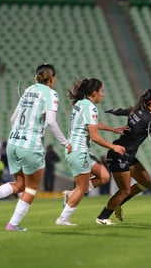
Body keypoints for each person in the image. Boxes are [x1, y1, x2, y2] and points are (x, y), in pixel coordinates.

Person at [0, 63, 71, 232]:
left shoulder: (28, 91)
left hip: (13, 142)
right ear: (51, 79)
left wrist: (18, 136)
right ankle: (12, 224)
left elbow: (13, 119)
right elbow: (50, 121)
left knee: (20, 185)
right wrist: (65, 142)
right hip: (30, 145)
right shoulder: (51, 94)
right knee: (31, 188)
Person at [94, 88, 151, 225]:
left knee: (146, 182)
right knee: (124, 190)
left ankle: (118, 203)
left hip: (126, 155)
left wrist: (113, 110)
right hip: (119, 155)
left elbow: (122, 111)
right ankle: (102, 217)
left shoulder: (136, 110)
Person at [55, 78, 126, 226]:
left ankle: (70, 194)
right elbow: (94, 136)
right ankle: (62, 219)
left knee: (104, 176)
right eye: (102, 92)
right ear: (94, 93)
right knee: (82, 188)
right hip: (78, 151)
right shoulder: (90, 108)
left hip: (77, 150)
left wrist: (113, 129)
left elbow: (93, 124)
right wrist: (113, 147)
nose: (103, 95)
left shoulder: (81, 104)